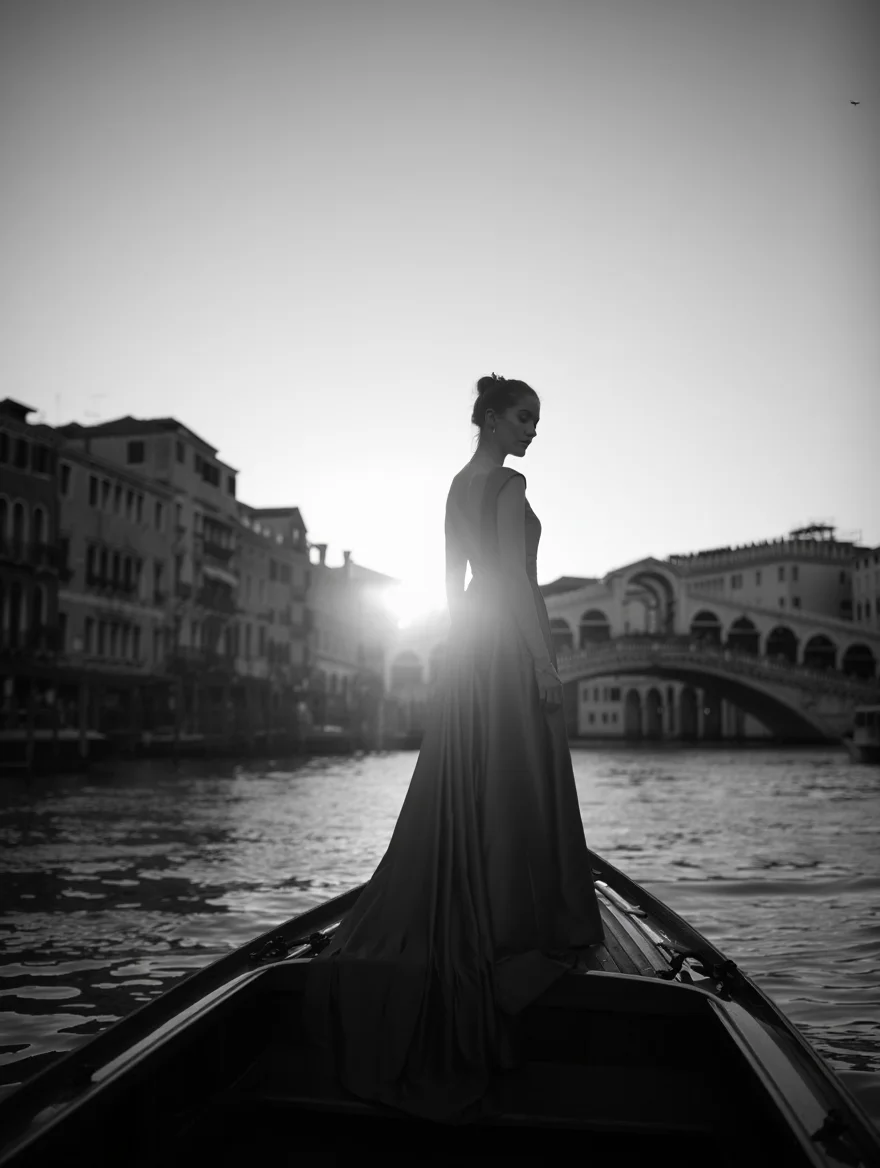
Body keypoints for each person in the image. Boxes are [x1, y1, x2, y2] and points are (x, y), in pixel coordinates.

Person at [303, 373, 605, 1122]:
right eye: (526, 418)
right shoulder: (506, 489)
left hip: (471, 647)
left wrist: (454, 656)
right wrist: (544, 665)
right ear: (494, 419)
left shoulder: (453, 486)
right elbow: (512, 583)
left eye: (537, 420)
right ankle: (520, 916)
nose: (534, 431)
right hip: (507, 644)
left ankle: (489, 891)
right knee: (519, 778)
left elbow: (453, 583)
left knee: (480, 778)